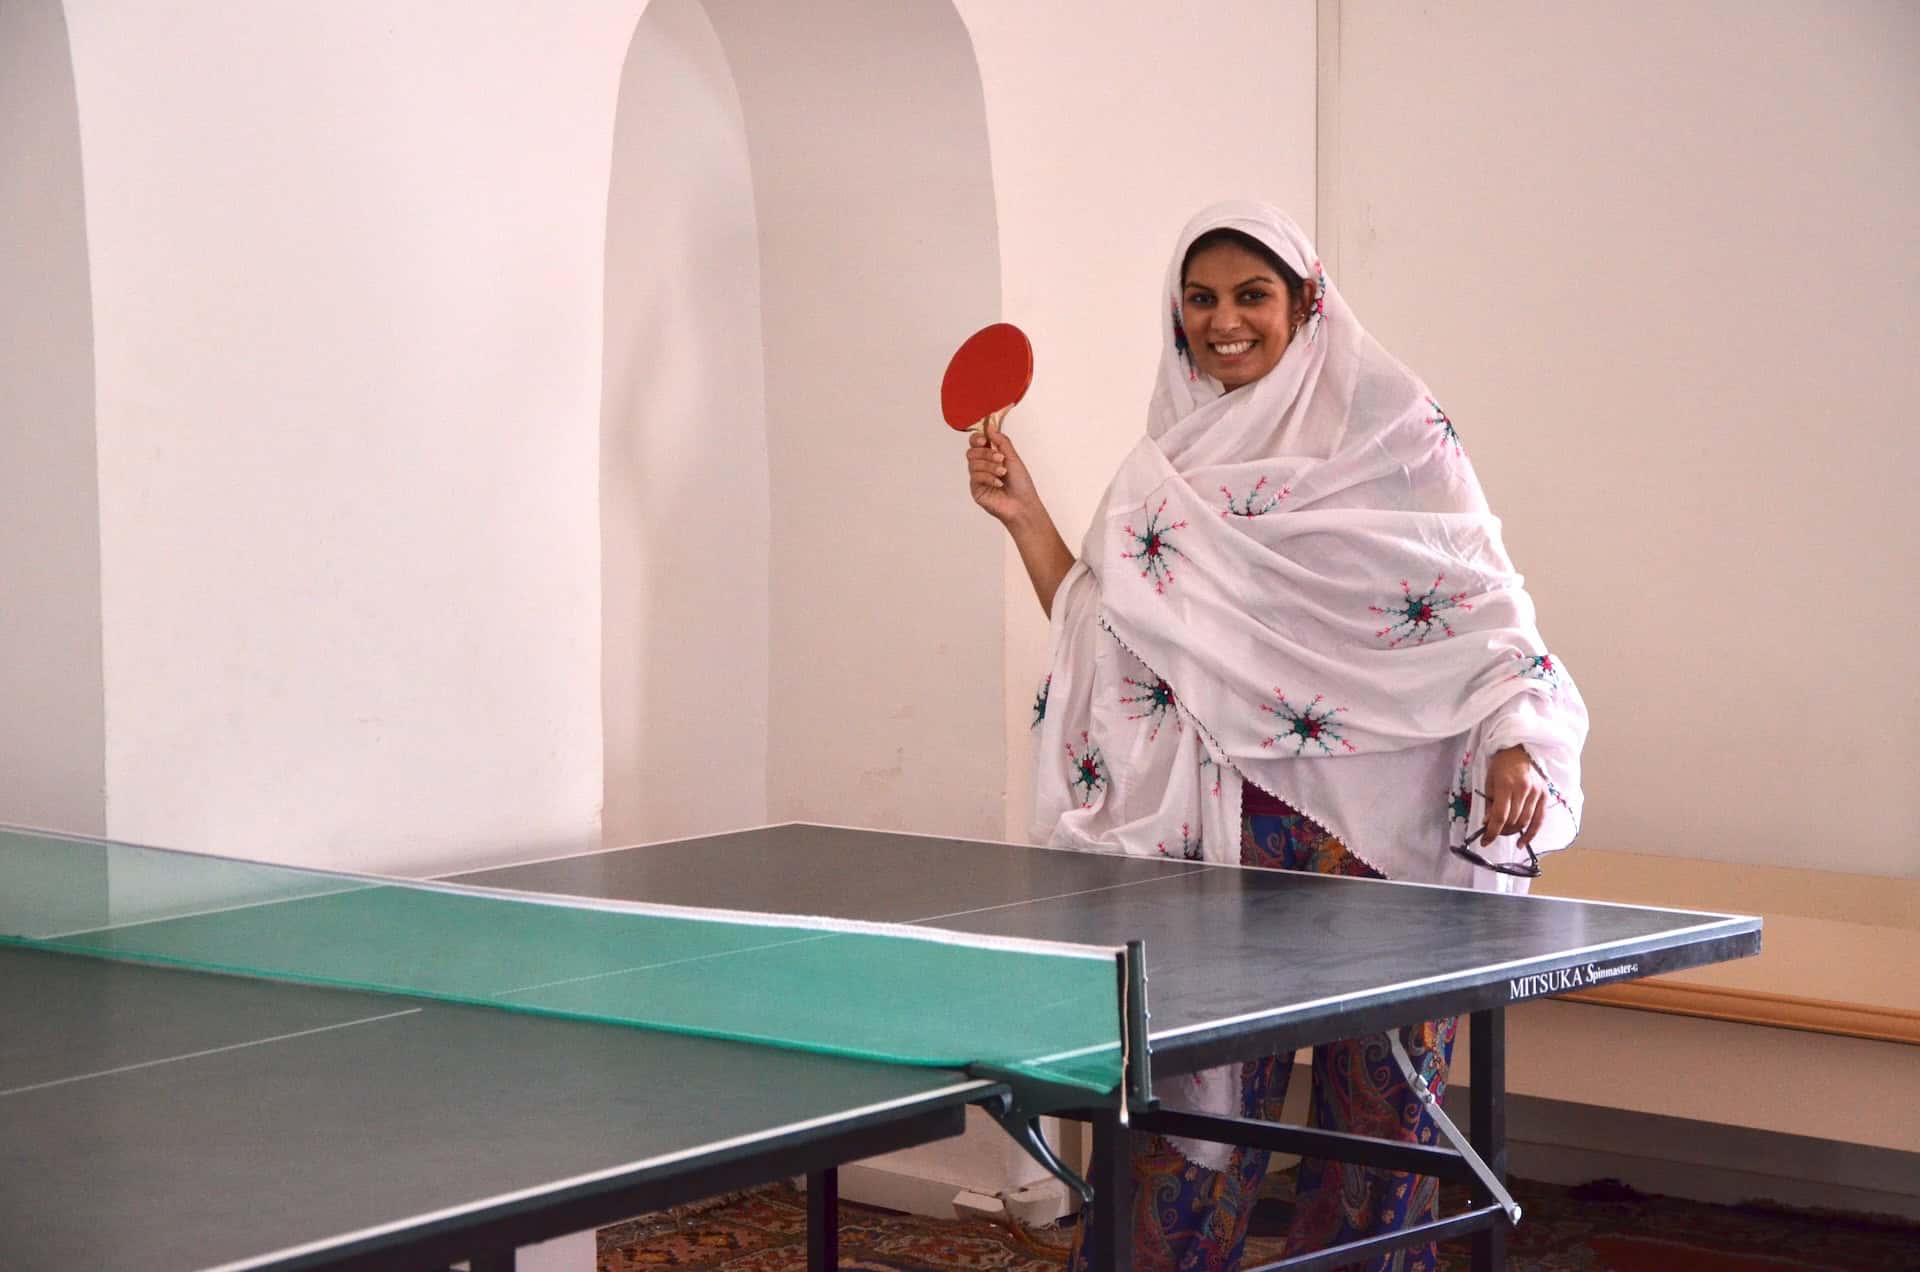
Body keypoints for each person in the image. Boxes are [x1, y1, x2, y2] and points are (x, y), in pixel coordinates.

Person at [964, 202, 1587, 1272]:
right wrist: (1028, 520)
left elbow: (1491, 623)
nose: (1223, 321)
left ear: (1307, 304)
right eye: (1200, 299)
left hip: (1382, 859)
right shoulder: (1162, 470)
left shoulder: (1399, 434)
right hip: (1218, 858)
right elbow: (1115, 640)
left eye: (1250, 295)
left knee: (1382, 1144)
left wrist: (1516, 741)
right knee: (1183, 1146)